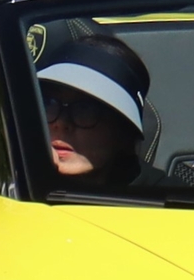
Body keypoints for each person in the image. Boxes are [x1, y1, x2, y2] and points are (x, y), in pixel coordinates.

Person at [36, 33, 155, 186]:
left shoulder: (169, 202)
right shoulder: (11, 184)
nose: (61, 122)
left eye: (85, 109)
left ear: (124, 134)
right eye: (48, 103)